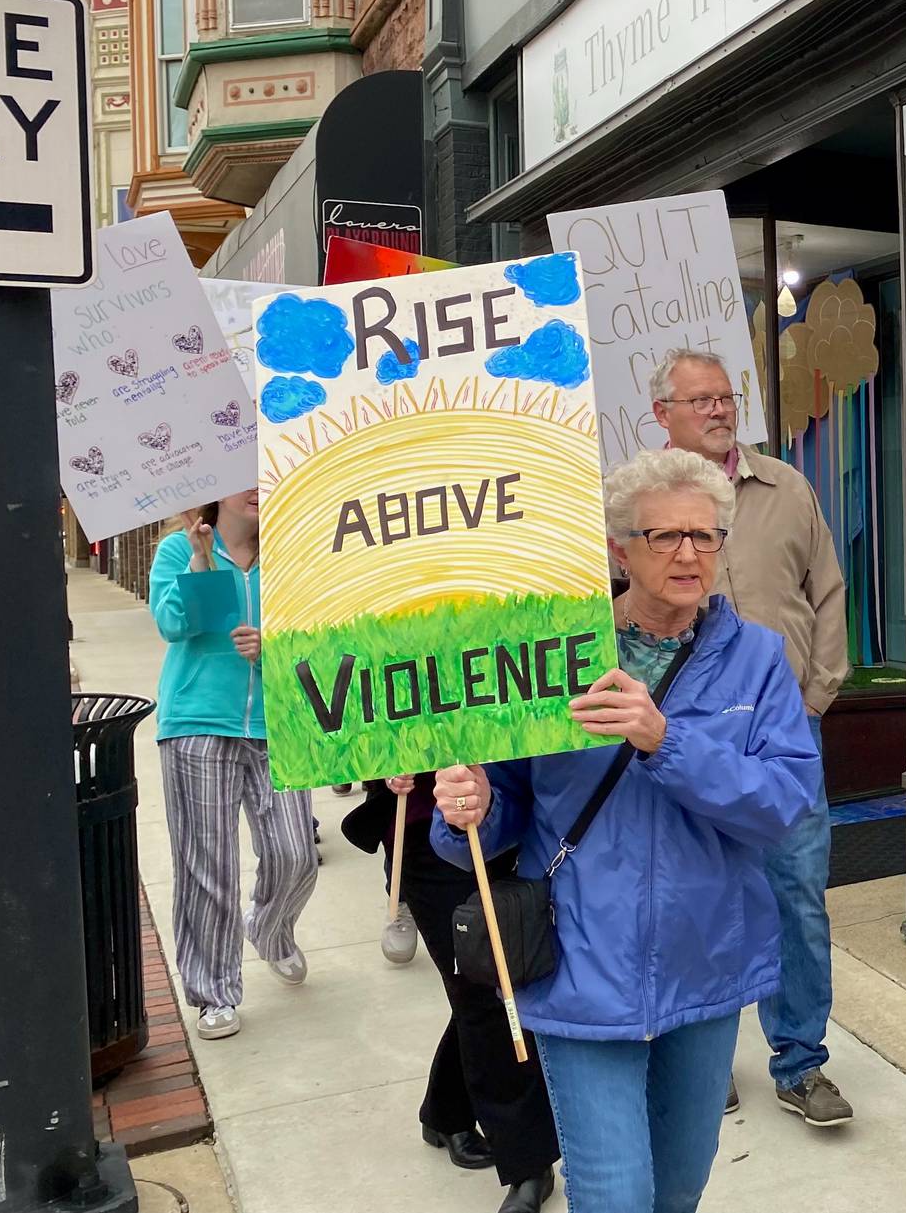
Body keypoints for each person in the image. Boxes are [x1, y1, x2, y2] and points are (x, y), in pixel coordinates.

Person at [427, 448, 821, 1212]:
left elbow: (784, 801)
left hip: (705, 961)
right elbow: (505, 802)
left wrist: (666, 739)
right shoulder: (554, 653)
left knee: (677, 1188)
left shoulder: (759, 659)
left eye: (705, 536)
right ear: (618, 547)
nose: (687, 553)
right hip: (581, 961)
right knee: (614, 1194)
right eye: (664, 535)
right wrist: (465, 805)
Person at [651, 348, 852, 1126]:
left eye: (726, 396)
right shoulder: (638, 504)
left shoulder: (786, 488)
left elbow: (827, 590)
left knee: (796, 896)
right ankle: (701, 1054)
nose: (718, 409)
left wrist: (817, 695)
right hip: (680, 740)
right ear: (661, 413)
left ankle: (801, 1061)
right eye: (698, 399)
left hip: (784, 737)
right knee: (695, 897)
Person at [344, 778, 559, 1213]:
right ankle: (528, 1162)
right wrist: (381, 766)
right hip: (430, 833)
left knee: (490, 989)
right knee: (483, 994)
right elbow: (355, 726)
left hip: (526, 817)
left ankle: (445, 1111)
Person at [148, 490, 318, 1040]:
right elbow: (175, 625)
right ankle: (214, 991)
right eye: (241, 475)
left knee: (296, 854)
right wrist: (201, 561)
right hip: (198, 724)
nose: (255, 487)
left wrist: (273, 646)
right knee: (208, 868)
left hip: (277, 723)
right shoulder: (178, 550)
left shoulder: (292, 556)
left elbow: (316, 636)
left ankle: (270, 931)